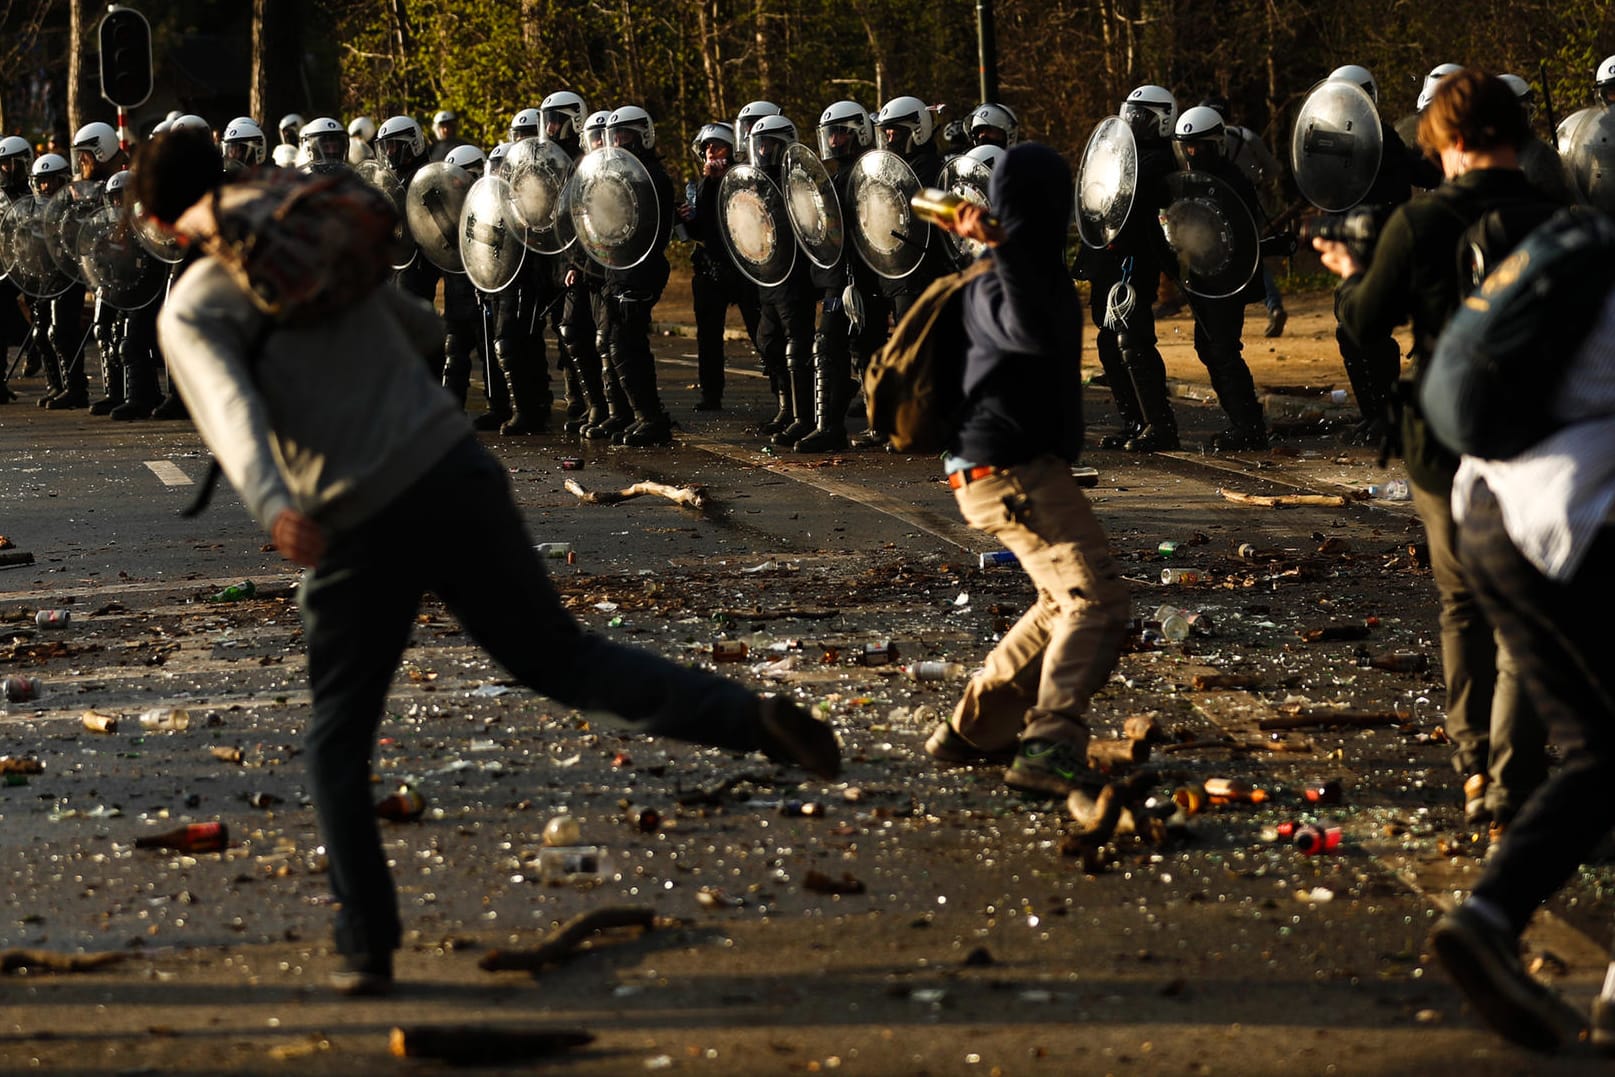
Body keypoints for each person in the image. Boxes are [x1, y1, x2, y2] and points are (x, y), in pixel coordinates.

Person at [131, 128, 840, 996]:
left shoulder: (196, 302)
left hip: (358, 516)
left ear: (157, 221)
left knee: (337, 740)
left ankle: (367, 941)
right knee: (562, 658)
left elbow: (230, 410)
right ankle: (747, 719)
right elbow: (425, 330)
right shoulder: (314, 239)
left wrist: (275, 501)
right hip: (455, 471)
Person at [1316, 70, 1558, 849]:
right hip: (1537, 437)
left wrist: (1351, 276)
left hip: (1437, 440)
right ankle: (1513, 783)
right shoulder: (1562, 222)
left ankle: (1473, 765)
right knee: (1524, 612)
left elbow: (1364, 325)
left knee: (1461, 602)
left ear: (1447, 142)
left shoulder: (1419, 221)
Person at [1431, 250, 1615, 1055]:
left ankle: (1491, 919)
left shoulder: (1589, 260)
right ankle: (1493, 916)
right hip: (1573, 525)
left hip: (1489, 512)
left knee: (1598, 752)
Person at [921, 142, 1129, 798]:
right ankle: (1048, 743)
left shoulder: (1003, 265)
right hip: (1011, 471)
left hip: (997, 467)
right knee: (1094, 600)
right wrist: (1006, 250)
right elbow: (1034, 329)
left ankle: (973, 729)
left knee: (1056, 600)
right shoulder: (1010, 268)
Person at [1080, 84, 1181, 452]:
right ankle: (1134, 421)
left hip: (1135, 259)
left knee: (1133, 341)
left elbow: (1135, 199)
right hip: (1107, 258)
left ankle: (1159, 423)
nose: (1135, 124)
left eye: (1143, 117)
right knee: (1109, 344)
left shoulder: (1158, 159)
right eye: (1132, 116)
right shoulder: (1122, 155)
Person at [1168, 106, 1269, 451]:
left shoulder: (1233, 180)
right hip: (1203, 279)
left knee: (1223, 349)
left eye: (1199, 147)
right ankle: (1242, 419)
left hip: (1227, 282)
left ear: (1216, 144)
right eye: (1187, 147)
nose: (1192, 153)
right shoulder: (1189, 182)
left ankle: (1248, 424)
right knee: (1208, 348)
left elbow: (1239, 230)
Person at [678, 121, 760, 412]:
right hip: (710, 269)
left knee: (761, 331)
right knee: (708, 336)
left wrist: (718, 181)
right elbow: (704, 230)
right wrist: (686, 220)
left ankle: (786, 391)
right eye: (706, 148)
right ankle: (711, 393)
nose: (710, 153)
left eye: (717, 147)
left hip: (743, 269)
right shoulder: (701, 185)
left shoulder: (744, 179)